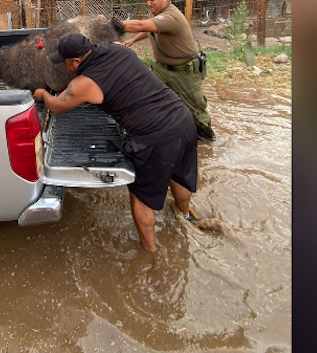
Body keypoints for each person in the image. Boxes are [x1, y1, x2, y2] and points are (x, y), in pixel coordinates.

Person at [33, 33, 199, 252]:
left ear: (77, 61)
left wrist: (43, 94)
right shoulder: (118, 49)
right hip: (182, 119)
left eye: (65, 63)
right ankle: (185, 216)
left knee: (141, 197)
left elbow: (56, 106)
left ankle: (151, 254)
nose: (65, 67)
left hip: (153, 137)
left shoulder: (84, 83)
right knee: (178, 173)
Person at [120, 0, 215, 142]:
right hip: (161, 70)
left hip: (184, 73)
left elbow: (143, 25)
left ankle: (207, 144)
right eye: (147, 0)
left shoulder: (172, 16)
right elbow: (149, 29)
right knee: (143, 99)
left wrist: (114, 25)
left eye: (152, 0)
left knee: (196, 114)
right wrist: (133, 40)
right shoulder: (156, 13)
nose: (149, 3)